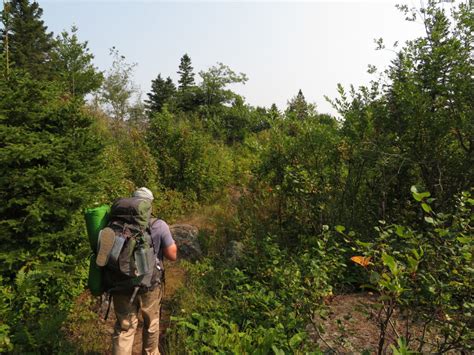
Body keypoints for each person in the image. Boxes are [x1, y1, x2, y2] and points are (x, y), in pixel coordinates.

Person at [111, 187, 177, 355]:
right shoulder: (159, 225)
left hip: (120, 280)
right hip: (149, 284)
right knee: (151, 324)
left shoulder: (115, 223)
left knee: (125, 328)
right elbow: (172, 255)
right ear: (150, 205)